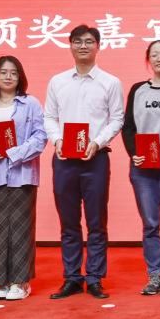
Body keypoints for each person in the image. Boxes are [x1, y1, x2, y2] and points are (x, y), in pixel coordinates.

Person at [44, 24, 124, 300]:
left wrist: (97, 142)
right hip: (64, 159)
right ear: (70, 45)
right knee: (68, 222)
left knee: (96, 221)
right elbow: (49, 117)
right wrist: (57, 140)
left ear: (98, 46)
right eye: (77, 41)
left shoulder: (110, 82)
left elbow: (117, 119)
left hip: (95, 159)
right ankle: (72, 278)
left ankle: (95, 278)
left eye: (89, 41)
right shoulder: (57, 81)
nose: (83, 46)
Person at [0, 55, 47, 301]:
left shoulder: (30, 103)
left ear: (20, 76)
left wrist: (15, 152)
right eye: (3, 72)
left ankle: (20, 281)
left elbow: (40, 136)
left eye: (13, 72)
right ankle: (1, 281)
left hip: (22, 174)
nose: (8, 77)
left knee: (21, 228)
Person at [120, 40, 160, 296]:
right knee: (149, 221)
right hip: (143, 159)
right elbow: (128, 127)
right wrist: (134, 153)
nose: (159, 58)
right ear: (148, 59)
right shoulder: (138, 90)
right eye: (154, 54)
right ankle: (154, 274)